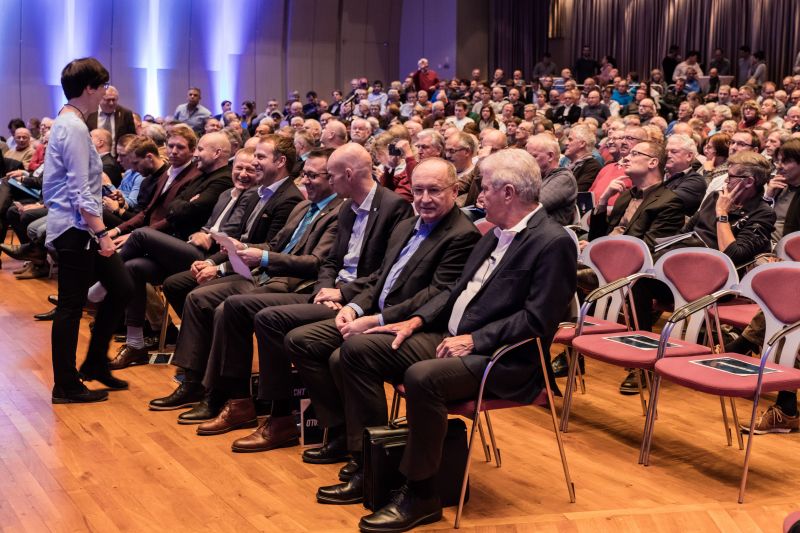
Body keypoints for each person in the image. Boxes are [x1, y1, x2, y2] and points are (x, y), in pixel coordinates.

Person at [298, 149, 576, 531]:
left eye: (485, 188)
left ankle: (421, 493)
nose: (478, 196)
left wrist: (474, 340)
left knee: (423, 378)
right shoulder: (493, 233)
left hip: (504, 358)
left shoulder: (552, 241)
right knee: (355, 350)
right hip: (450, 336)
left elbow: (538, 320)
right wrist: (414, 321)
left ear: (509, 192)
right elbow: (452, 293)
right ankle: (372, 465)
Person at [43, 57, 133, 403]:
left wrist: (105, 187)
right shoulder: (76, 128)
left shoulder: (68, 123)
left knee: (122, 287)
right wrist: (103, 234)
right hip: (78, 228)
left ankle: (95, 361)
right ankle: (65, 384)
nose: (106, 93)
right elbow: (80, 191)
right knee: (71, 305)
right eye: (102, 86)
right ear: (88, 89)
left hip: (77, 224)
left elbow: (78, 180)